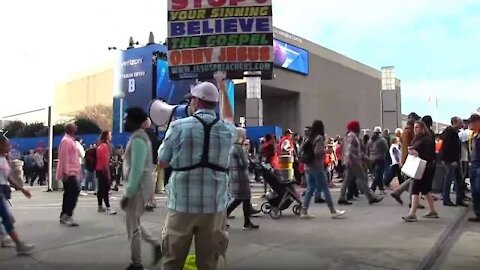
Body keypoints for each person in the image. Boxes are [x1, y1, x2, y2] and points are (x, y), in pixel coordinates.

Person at [158, 73, 234, 270]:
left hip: (181, 205)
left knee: (173, 261)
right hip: (214, 207)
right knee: (208, 263)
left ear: (197, 102)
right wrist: (222, 87)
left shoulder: (178, 127)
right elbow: (228, 117)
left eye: (192, 99)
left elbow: (162, 161)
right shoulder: (227, 130)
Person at [120, 107, 162, 270]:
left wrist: (128, 193)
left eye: (127, 119)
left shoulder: (138, 139)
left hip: (138, 187)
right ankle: (155, 245)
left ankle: (136, 264)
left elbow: (137, 169)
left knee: (133, 226)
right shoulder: (139, 138)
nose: (125, 122)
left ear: (134, 121)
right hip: (140, 186)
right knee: (132, 221)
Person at [301, 120, 345, 219]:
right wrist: (326, 151)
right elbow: (318, 151)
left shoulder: (309, 138)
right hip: (316, 166)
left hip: (307, 166)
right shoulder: (319, 138)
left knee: (310, 188)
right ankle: (333, 211)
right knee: (325, 188)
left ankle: (304, 210)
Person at [0, 134, 35, 255]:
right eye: (6, 144)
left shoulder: (4, 159)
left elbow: (9, 178)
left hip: (4, 191)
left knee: (7, 218)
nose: (9, 146)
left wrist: (22, 189)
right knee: (7, 218)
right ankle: (19, 244)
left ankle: (7, 239)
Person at [338, 120, 383, 205]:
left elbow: (356, 151)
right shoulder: (352, 136)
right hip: (354, 162)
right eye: (358, 126)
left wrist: (366, 158)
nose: (359, 128)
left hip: (351, 162)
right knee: (362, 179)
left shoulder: (351, 136)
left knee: (347, 180)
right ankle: (371, 197)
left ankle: (342, 197)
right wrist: (363, 159)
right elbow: (350, 150)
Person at [402, 121, 438, 222]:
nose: (415, 129)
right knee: (425, 190)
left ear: (423, 128)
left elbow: (429, 155)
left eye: (417, 127)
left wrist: (417, 153)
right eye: (414, 127)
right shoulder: (419, 138)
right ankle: (432, 211)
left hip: (424, 168)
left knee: (416, 189)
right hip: (421, 167)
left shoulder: (427, 140)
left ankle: (412, 213)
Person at [226, 128, 259, 229]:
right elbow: (244, 163)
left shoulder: (232, 147)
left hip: (235, 176)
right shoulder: (239, 148)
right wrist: (247, 155)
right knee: (241, 198)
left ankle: (247, 221)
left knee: (243, 199)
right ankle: (224, 217)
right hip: (241, 177)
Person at [56, 123, 82, 227]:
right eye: (74, 127)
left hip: (73, 171)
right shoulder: (66, 141)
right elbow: (64, 157)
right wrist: (65, 172)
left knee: (69, 193)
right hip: (69, 172)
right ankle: (67, 215)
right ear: (70, 129)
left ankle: (64, 215)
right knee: (73, 192)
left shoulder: (71, 140)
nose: (76, 128)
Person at [440, 117, 468, 207]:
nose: (461, 124)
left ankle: (459, 199)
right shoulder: (449, 133)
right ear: (455, 123)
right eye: (460, 122)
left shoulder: (454, 133)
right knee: (449, 180)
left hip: (455, 160)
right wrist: (451, 160)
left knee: (459, 180)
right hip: (450, 161)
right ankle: (446, 199)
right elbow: (447, 148)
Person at [96, 131, 116, 215]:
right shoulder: (105, 146)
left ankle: (100, 206)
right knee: (105, 189)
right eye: (110, 134)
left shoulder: (100, 145)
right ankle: (108, 207)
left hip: (98, 169)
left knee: (101, 188)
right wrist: (108, 173)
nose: (111, 136)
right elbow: (105, 161)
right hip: (103, 169)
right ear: (106, 136)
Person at [367, 126, 389, 194]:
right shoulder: (382, 140)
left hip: (371, 159)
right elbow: (386, 149)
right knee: (379, 175)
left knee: (376, 174)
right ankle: (372, 188)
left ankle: (381, 189)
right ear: (380, 132)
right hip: (380, 158)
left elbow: (367, 150)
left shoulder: (370, 141)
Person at [467, 114, 480, 222]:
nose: (469, 124)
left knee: (478, 189)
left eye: (471, 122)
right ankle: (478, 214)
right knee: (475, 191)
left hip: (478, 165)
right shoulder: (473, 135)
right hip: (474, 164)